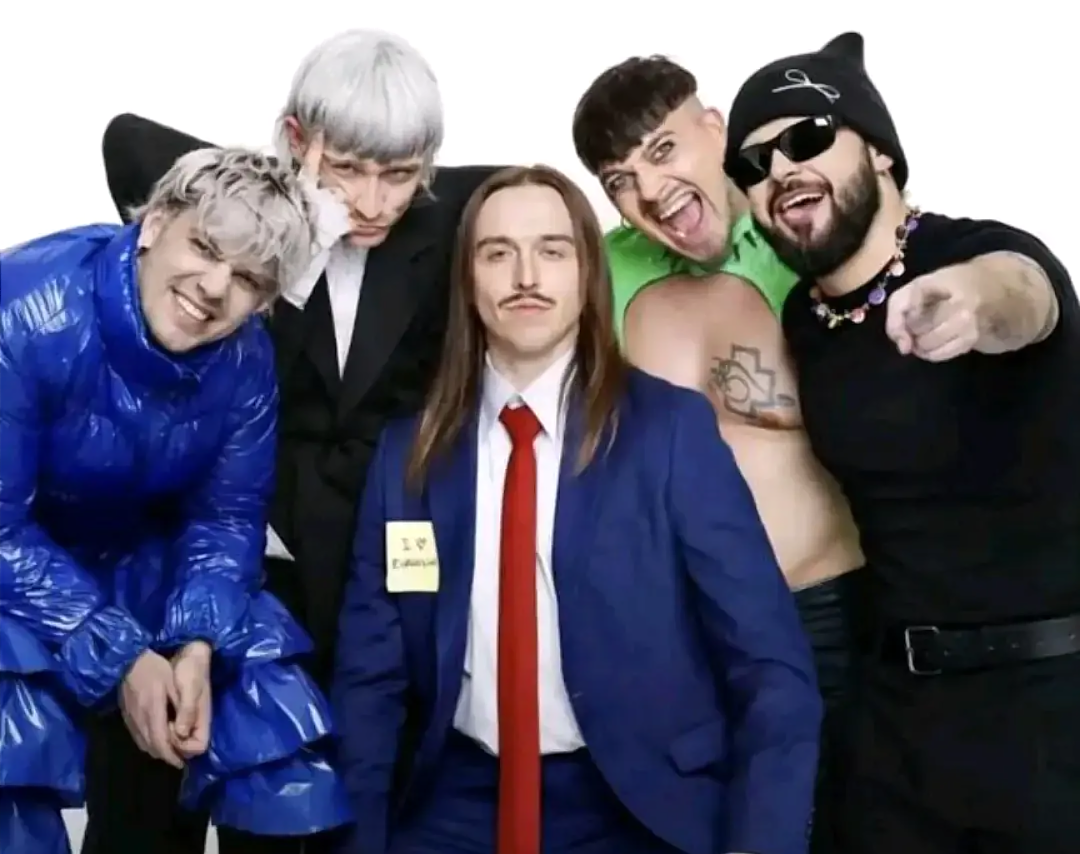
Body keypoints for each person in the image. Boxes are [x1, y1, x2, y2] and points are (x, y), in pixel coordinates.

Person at [332, 163, 822, 854]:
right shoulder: (406, 455)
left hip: (636, 802)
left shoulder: (669, 431)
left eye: (553, 250)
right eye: (497, 253)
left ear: (587, 271)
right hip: (456, 800)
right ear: (466, 279)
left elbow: (769, 669)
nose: (526, 275)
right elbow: (369, 677)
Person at [99, 28, 500, 853]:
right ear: (296, 138)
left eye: (400, 173)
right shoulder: (241, 213)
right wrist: (293, 202)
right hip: (195, 554)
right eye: (348, 168)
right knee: (145, 811)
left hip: (346, 584)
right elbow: (127, 139)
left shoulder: (458, 215)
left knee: (287, 822)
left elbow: (538, 198)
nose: (374, 201)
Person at [726, 30, 1080, 854]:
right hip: (898, 721)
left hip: (1047, 710)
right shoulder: (804, 319)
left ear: (881, 153)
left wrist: (972, 304)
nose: (780, 170)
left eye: (807, 137)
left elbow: (1024, 295)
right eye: (753, 164)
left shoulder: (976, 254)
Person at [0, 147, 350, 854]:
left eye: (249, 278)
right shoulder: (21, 311)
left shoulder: (246, 358)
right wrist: (122, 655)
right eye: (206, 247)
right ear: (156, 223)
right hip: (14, 565)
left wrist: (197, 643)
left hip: (134, 556)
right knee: (12, 729)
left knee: (267, 695)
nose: (216, 288)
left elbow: (225, 517)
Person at [572, 55, 864, 851]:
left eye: (663, 150)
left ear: (716, 130)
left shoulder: (809, 236)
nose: (650, 189)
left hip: (826, 614)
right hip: (683, 631)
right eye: (620, 180)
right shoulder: (598, 272)